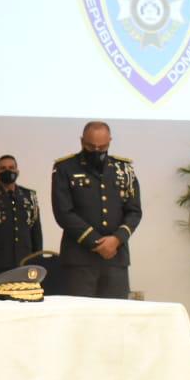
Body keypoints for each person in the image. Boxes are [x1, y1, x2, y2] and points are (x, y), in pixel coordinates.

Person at [51, 121, 141, 298]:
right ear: (82, 141)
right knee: (80, 319)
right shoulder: (65, 168)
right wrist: (96, 243)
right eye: (91, 147)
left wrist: (116, 239)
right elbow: (63, 213)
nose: (97, 151)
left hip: (116, 259)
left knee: (115, 318)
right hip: (79, 261)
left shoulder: (124, 169)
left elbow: (134, 211)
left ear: (110, 142)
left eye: (103, 147)